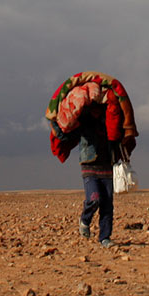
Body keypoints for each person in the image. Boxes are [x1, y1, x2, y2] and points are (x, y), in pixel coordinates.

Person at [47, 72, 138, 248]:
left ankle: (105, 237)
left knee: (107, 204)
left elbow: (119, 136)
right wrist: (54, 123)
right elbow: (66, 136)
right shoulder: (83, 122)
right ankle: (85, 219)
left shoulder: (111, 119)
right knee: (94, 198)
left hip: (106, 165)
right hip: (89, 164)